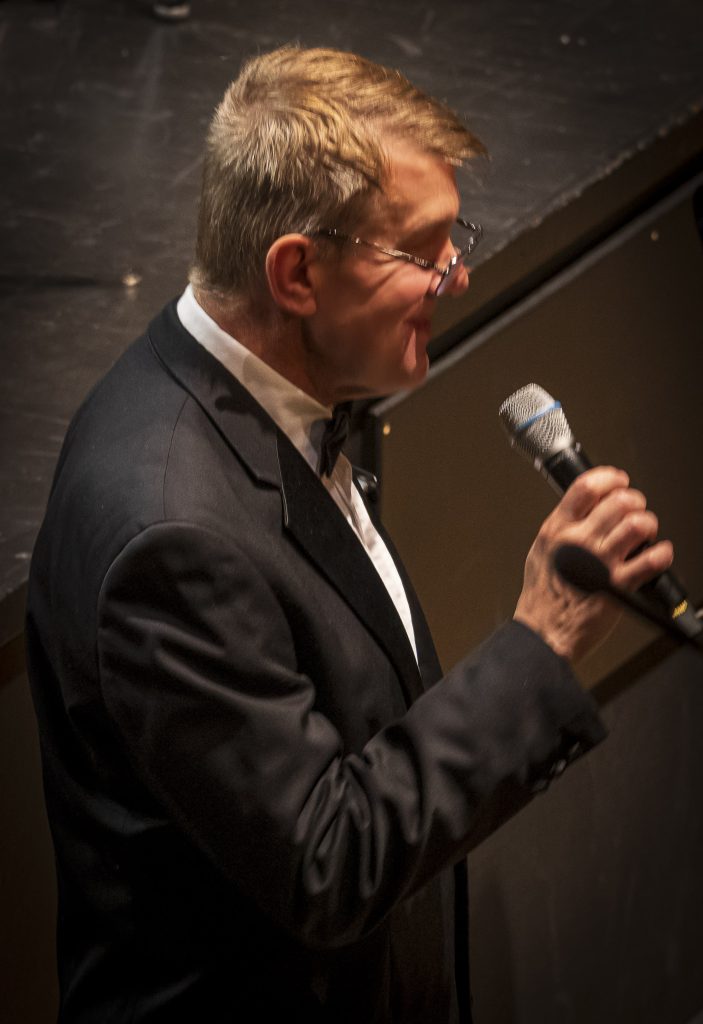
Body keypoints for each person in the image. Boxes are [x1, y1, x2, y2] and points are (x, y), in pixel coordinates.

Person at [26, 46, 674, 1023]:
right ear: (296, 272)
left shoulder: (276, 393)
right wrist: (541, 638)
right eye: (424, 249)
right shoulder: (171, 534)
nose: (458, 275)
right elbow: (326, 860)